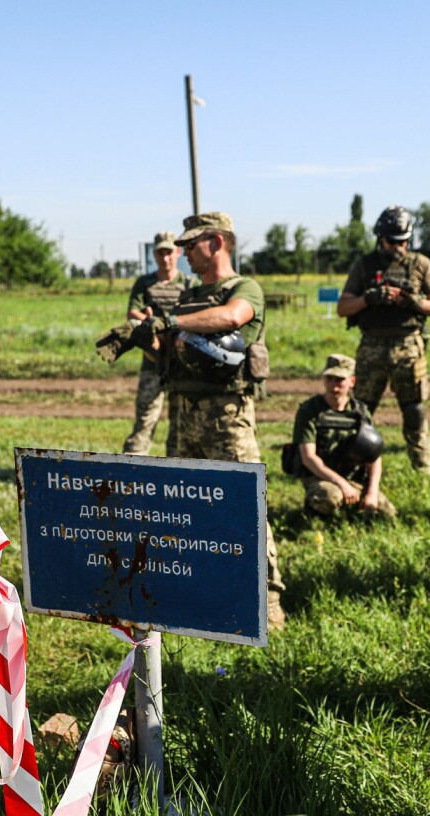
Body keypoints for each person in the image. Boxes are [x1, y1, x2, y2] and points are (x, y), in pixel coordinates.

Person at [138, 211, 286, 626]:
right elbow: (169, 352)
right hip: (184, 414)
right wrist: (146, 339)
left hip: (228, 417)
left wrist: (170, 320)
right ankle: (203, 590)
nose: (184, 253)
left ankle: (269, 599)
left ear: (218, 242)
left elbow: (230, 318)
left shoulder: (244, 288)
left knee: (246, 505)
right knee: (186, 509)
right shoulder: (187, 297)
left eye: (191, 245)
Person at [336, 205, 430, 475]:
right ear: (380, 238)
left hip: (408, 346)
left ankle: (422, 469)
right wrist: (369, 298)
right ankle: (355, 467)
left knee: (414, 411)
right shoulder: (365, 265)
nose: (398, 246)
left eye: (403, 241)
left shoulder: (420, 264)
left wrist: (414, 301)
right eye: (392, 241)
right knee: (361, 411)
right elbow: (343, 307)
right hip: (372, 346)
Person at [290, 353, 395, 519]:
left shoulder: (360, 412)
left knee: (385, 514)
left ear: (351, 382)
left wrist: (372, 492)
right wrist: (342, 484)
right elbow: (308, 458)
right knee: (330, 498)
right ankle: (315, 514)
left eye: (339, 380)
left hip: (353, 476)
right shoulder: (310, 410)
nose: (333, 385)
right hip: (320, 477)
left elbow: (374, 456)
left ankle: (350, 512)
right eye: (329, 378)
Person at [121, 231, 197, 456]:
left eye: (169, 252)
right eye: (161, 253)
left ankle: (173, 473)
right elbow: (132, 312)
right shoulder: (145, 283)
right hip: (152, 360)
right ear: (154, 255)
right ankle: (132, 468)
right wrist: (153, 323)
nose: (166, 258)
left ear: (178, 253)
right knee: (145, 419)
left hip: (180, 363)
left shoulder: (189, 283)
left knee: (179, 423)